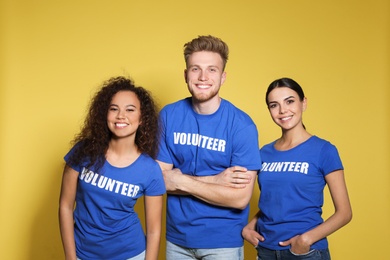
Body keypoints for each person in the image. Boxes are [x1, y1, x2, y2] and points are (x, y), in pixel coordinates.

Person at [157, 35, 262, 260]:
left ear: (223, 77)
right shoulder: (169, 115)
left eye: (212, 70)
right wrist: (215, 180)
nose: (203, 77)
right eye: (195, 69)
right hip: (177, 240)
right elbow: (159, 180)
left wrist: (181, 179)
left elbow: (240, 198)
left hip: (223, 242)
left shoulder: (242, 126)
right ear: (186, 74)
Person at [242, 77, 352, 259]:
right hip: (266, 250)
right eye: (274, 105)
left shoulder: (324, 150)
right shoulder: (264, 153)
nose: (283, 110)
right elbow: (275, 201)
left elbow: (345, 213)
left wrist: (305, 240)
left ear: (304, 103)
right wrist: (250, 226)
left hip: (305, 252)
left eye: (290, 101)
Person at [59, 76, 166, 260]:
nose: (121, 116)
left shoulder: (150, 170)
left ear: (142, 119)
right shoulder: (84, 151)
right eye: (113, 109)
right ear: (105, 114)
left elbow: (154, 231)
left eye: (130, 110)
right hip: (83, 254)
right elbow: (65, 206)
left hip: (130, 254)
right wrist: (70, 256)